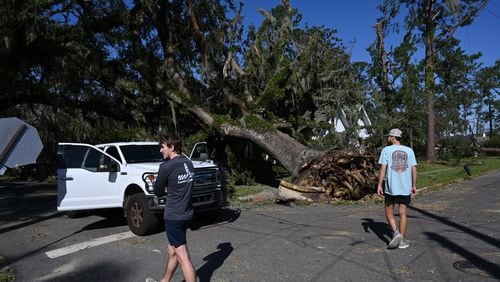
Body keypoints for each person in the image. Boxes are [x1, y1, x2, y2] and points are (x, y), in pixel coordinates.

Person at [149, 135, 196, 282]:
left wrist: (160, 183)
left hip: (174, 215)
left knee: (183, 257)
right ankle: (165, 280)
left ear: (172, 147)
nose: (161, 150)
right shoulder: (188, 163)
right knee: (172, 251)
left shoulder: (166, 166)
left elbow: (157, 192)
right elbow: (181, 185)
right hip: (186, 213)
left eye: (163, 147)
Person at [377, 128, 417, 249]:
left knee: (389, 209)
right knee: (402, 212)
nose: (388, 138)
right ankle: (401, 241)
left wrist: (379, 184)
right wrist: (414, 185)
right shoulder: (409, 151)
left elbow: (383, 168)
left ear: (393, 138)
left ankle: (396, 232)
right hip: (405, 187)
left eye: (389, 136)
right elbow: (413, 169)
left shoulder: (386, 150)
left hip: (391, 187)